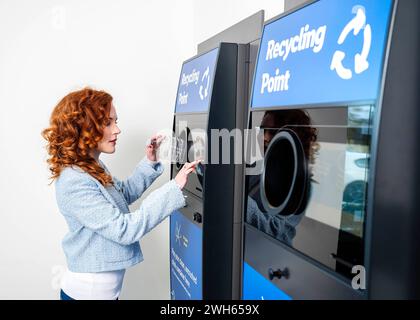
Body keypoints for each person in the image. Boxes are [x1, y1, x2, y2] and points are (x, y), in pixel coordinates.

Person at [42, 87, 199, 300]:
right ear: (84, 127)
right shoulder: (73, 180)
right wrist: (173, 187)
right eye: (108, 123)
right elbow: (124, 230)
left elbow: (122, 194)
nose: (117, 130)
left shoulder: (89, 167)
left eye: (115, 121)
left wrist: (151, 160)